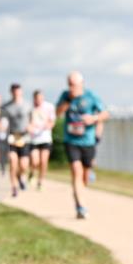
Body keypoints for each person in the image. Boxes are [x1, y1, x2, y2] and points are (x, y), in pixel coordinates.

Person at [56, 71, 108, 219]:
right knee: (76, 171)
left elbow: (105, 114)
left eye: (74, 85)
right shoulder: (65, 96)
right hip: (71, 141)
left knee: (84, 176)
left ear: (81, 84)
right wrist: (67, 102)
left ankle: (81, 194)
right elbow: (57, 113)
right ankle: (80, 206)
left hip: (88, 141)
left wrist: (93, 118)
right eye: (69, 85)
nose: (71, 88)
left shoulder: (91, 96)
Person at [1, 84, 31, 197]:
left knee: (24, 165)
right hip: (11, 136)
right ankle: (14, 187)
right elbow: (3, 121)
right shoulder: (6, 107)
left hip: (24, 137)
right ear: (11, 92)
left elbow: (33, 118)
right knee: (13, 162)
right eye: (14, 92)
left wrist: (31, 126)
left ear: (21, 92)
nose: (16, 94)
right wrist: (2, 127)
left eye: (18, 92)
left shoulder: (28, 105)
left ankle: (20, 176)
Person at [27, 89, 55, 190]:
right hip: (34, 139)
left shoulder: (49, 107)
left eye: (40, 98)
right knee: (35, 161)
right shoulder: (30, 108)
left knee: (43, 161)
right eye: (37, 98)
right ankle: (32, 173)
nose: (39, 100)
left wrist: (48, 126)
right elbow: (27, 123)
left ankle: (40, 181)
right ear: (34, 99)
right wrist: (29, 128)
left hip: (45, 138)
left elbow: (52, 121)